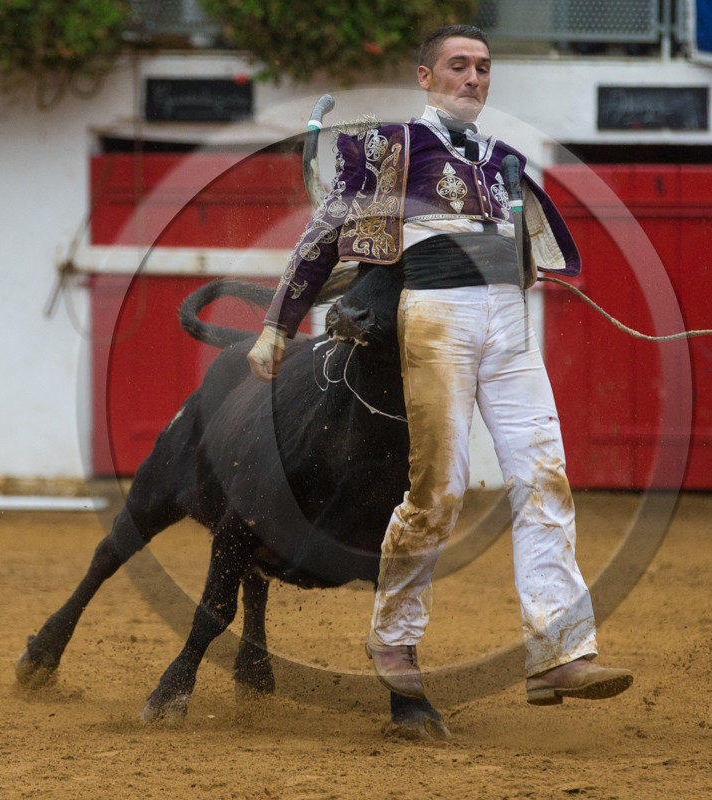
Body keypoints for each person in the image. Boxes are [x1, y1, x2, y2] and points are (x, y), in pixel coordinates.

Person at [247, 24, 633, 707]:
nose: (475, 78)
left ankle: (558, 653)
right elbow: (324, 232)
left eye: (483, 67)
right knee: (439, 489)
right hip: (436, 316)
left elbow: (528, 255)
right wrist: (278, 325)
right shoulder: (388, 146)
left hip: (509, 325)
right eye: (459, 66)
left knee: (545, 478)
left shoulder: (505, 159)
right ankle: (393, 635)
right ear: (425, 77)